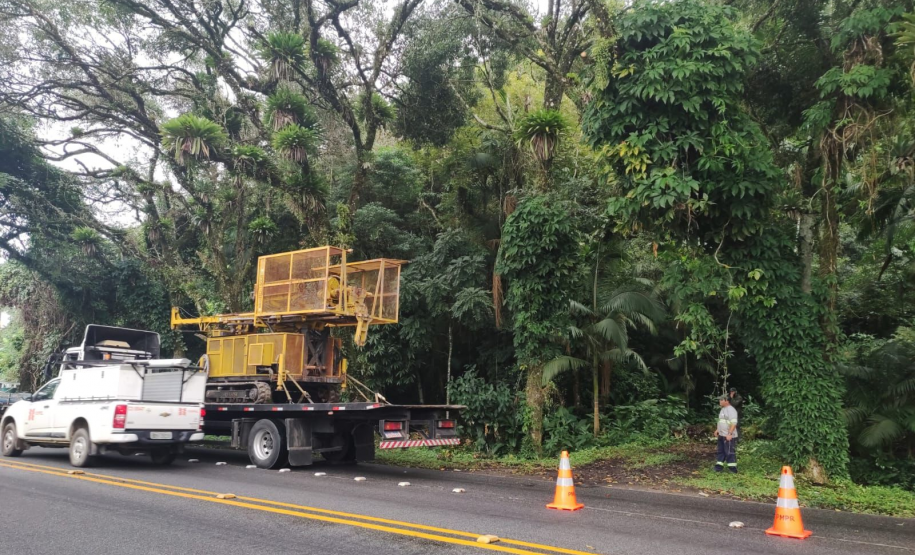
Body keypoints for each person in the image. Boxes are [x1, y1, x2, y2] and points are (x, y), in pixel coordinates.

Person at [714, 394, 738, 473]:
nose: (720, 401)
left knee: (729, 451)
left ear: (727, 401)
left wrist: (730, 434)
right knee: (721, 451)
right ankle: (718, 467)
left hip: (728, 435)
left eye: (721, 400)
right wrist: (717, 430)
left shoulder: (731, 410)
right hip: (722, 434)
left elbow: (734, 423)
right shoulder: (723, 409)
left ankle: (732, 469)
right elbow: (721, 421)